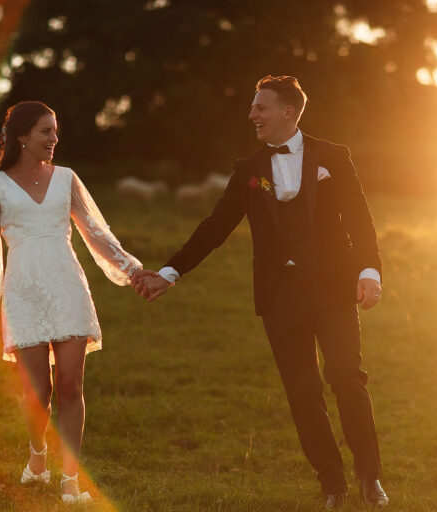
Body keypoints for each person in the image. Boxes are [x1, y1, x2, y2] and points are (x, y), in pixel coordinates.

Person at [131, 76, 388, 509]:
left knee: (346, 376)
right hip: (279, 296)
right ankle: (332, 483)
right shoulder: (249, 170)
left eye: (260, 107)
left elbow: (360, 219)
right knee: (303, 393)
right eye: (253, 108)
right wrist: (171, 272)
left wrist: (369, 271)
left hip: (332, 288)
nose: (252, 114)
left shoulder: (333, 157)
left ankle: (370, 477)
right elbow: (216, 225)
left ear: (288, 111)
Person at [0, 101, 142, 504]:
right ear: (22, 136)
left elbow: (97, 232)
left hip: (67, 286)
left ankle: (70, 481)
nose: (54, 139)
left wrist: (133, 270)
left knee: (70, 384)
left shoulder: (67, 178)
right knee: (38, 392)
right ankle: (37, 455)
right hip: (23, 291)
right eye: (46, 131)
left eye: (55, 131)